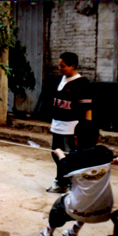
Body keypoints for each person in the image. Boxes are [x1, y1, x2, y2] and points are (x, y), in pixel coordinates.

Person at [37, 120, 114, 236]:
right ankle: (73, 233)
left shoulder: (74, 159)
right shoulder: (106, 153)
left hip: (79, 210)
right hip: (103, 209)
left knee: (59, 205)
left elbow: (63, 168)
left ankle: (47, 235)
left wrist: (60, 154)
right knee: (88, 197)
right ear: (99, 138)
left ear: (76, 140)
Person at [47, 52, 93, 193]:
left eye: (63, 66)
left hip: (71, 127)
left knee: (68, 157)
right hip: (57, 125)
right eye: (59, 65)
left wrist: (87, 128)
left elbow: (87, 109)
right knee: (55, 154)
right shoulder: (60, 80)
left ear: (73, 66)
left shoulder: (82, 83)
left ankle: (68, 184)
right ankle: (62, 181)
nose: (60, 68)